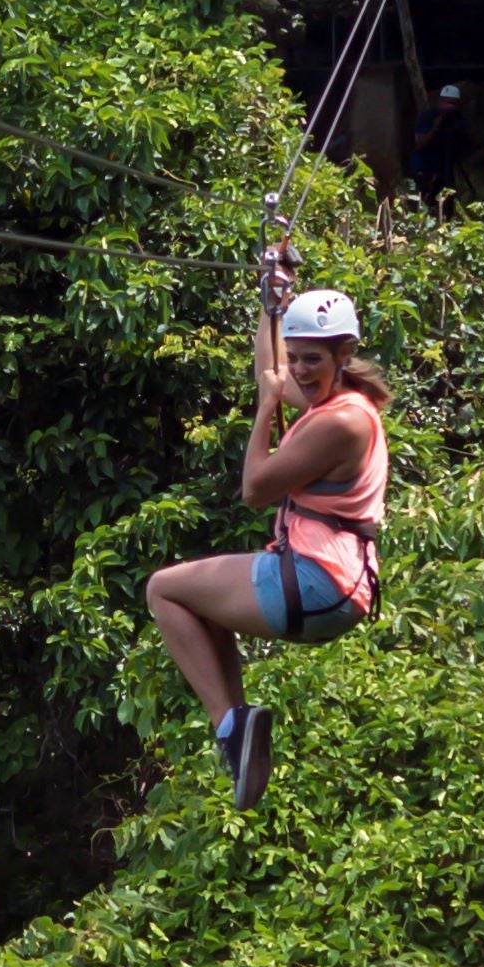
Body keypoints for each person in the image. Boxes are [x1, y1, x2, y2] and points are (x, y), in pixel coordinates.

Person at [140, 283, 391, 808]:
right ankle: (237, 732)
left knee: (164, 591)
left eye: (312, 360)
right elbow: (271, 374)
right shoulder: (339, 399)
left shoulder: (342, 422)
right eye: (296, 357)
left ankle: (230, 729)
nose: (299, 370)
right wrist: (271, 303)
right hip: (327, 584)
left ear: (344, 356)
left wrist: (265, 411)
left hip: (317, 583)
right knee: (203, 609)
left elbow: (255, 490)